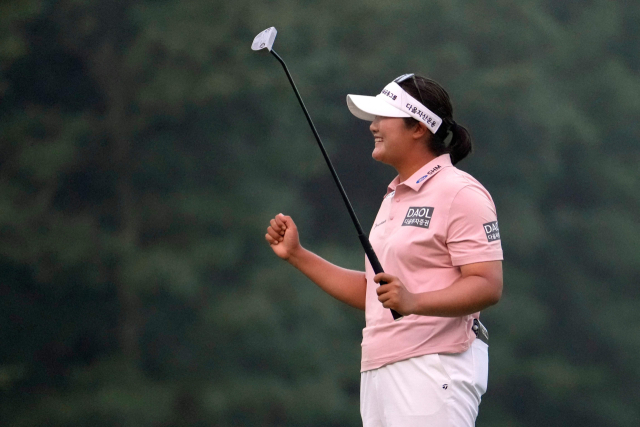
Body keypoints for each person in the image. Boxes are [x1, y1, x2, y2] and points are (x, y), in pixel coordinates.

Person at [265, 73, 503, 427]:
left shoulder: (461, 192)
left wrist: (414, 302)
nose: (373, 126)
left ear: (418, 127)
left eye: (382, 117)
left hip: (433, 365)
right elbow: (377, 293)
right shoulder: (395, 195)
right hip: (381, 366)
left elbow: (487, 285)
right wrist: (299, 255)